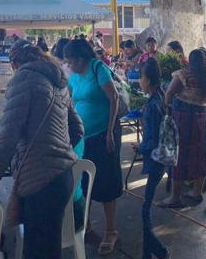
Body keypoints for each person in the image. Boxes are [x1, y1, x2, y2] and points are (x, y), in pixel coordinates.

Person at [0, 40, 83, 259]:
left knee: (37, 251)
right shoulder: (58, 80)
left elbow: (5, 141)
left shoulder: (23, 79)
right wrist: (55, 147)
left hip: (39, 180)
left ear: (14, 62)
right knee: (48, 249)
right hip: (62, 176)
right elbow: (78, 129)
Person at [63, 39, 122, 255]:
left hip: (103, 136)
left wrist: (109, 132)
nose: (68, 65)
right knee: (83, 182)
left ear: (81, 59)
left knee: (107, 183)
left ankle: (111, 230)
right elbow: (68, 100)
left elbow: (113, 98)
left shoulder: (98, 69)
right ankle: (86, 226)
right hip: (82, 138)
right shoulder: (75, 77)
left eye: (70, 61)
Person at [163, 49, 206, 208]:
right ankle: (196, 193)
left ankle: (175, 198)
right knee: (201, 155)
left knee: (179, 156)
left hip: (183, 119)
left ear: (190, 60)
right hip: (202, 119)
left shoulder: (183, 75)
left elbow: (169, 94)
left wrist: (169, 108)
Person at [134, 58, 170, 259]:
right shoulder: (160, 97)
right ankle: (147, 253)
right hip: (161, 159)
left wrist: (140, 147)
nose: (139, 81)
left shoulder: (151, 107)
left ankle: (159, 250)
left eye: (141, 77)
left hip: (155, 160)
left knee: (145, 209)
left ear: (147, 80)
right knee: (145, 208)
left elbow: (152, 140)